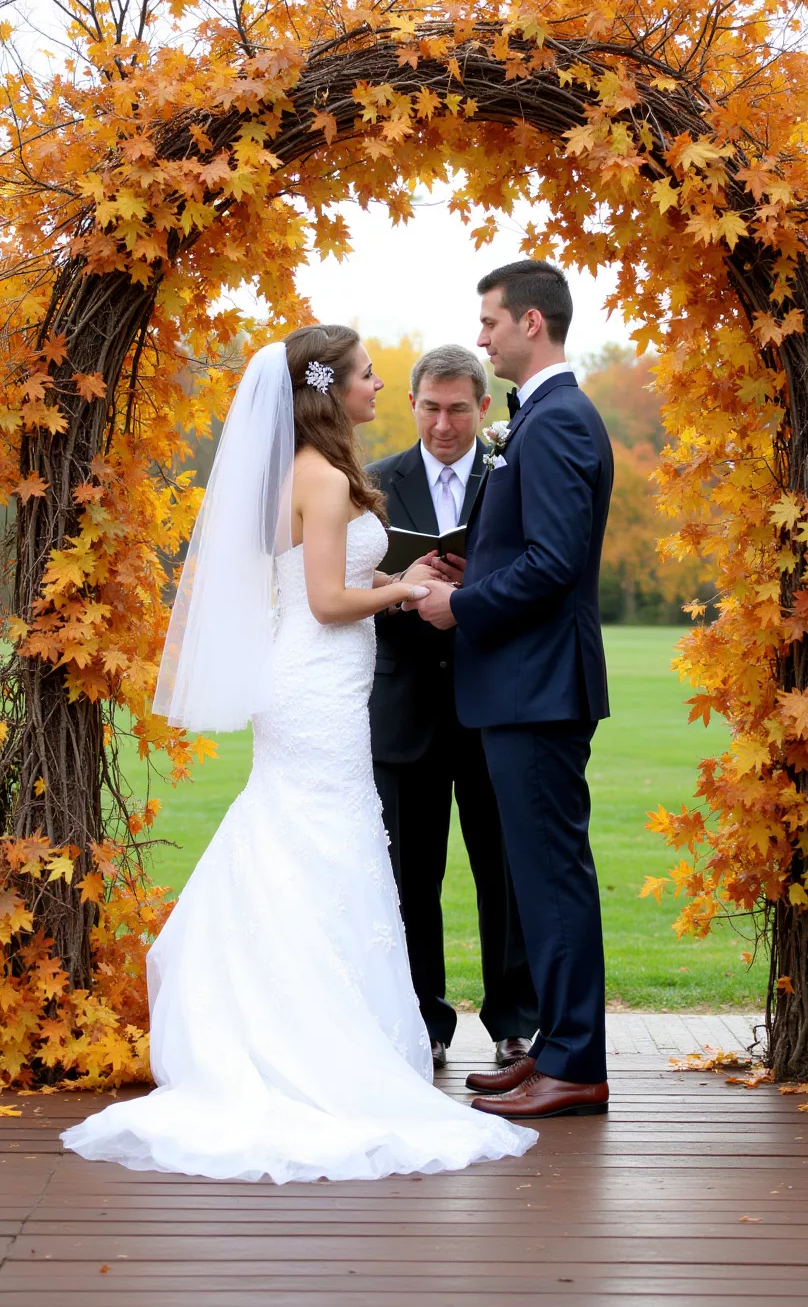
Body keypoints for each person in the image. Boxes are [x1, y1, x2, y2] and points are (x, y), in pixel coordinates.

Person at [61, 326, 536, 1181]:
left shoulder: (313, 471)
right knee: (321, 844)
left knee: (311, 843)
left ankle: (298, 1020)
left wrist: (397, 575)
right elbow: (323, 601)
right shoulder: (318, 476)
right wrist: (408, 588)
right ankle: (309, 1040)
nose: (377, 388)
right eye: (365, 376)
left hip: (324, 687)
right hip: (314, 686)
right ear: (328, 388)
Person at [415, 262, 613, 1122]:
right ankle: (556, 1055)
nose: (482, 334)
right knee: (540, 882)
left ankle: (574, 1065)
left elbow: (558, 562)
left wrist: (461, 604)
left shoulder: (560, 420)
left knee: (553, 880)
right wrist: (477, 566)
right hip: (524, 689)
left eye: (490, 321)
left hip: (538, 690)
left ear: (531, 322)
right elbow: (532, 551)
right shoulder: (540, 421)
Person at [368, 345, 538, 1070]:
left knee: (502, 871)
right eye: (431, 408)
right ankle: (426, 1020)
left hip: (491, 702)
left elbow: (536, 574)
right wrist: (404, 586)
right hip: (404, 709)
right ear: (412, 405)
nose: (444, 424)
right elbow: (347, 598)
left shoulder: (513, 476)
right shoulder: (373, 485)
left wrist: (474, 590)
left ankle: (514, 1021)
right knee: (411, 878)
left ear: (484, 409)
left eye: (459, 409)